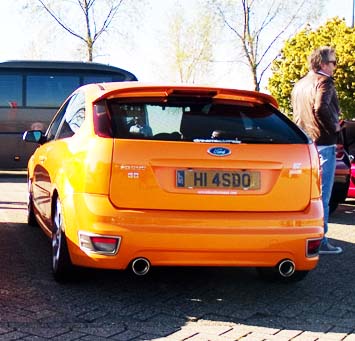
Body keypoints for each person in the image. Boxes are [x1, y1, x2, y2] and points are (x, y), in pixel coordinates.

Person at [291, 46, 342, 254]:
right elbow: (320, 108)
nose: (335, 67)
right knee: (323, 196)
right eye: (333, 62)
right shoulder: (324, 82)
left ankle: (300, 237)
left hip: (304, 145)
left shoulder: (301, 84)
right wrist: (336, 127)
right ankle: (320, 240)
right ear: (322, 64)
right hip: (323, 144)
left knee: (304, 195)